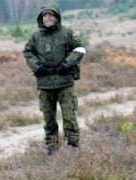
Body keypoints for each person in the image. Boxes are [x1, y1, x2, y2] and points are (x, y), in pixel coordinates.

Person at [23, 5, 86, 155]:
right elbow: (27, 52)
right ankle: (51, 146)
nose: (48, 18)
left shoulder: (67, 33)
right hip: (45, 84)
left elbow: (79, 49)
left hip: (65, 83)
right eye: (45, 16)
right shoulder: (36, 36)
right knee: (49, 119)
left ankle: (73, 146)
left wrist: (67, 64)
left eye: (51, 15)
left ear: (57, 17)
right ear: (41, 18)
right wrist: (37, 67)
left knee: (69, 116)